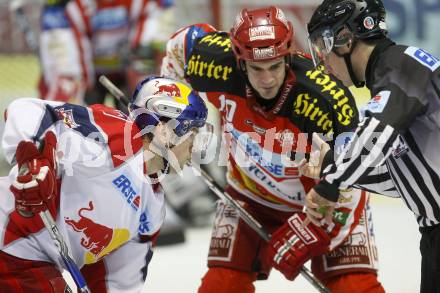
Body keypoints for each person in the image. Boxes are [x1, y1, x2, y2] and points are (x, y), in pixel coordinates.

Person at [161, 6, 385, 293]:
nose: (267, 80)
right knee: (221, 286)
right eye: (256, 68)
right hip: (248, 195)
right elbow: (179, 47)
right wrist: (173, 112)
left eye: (275, 66)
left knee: (354, 287)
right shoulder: (215, 62)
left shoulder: (325, 101)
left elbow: (350, 177)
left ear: (288, 57)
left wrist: (316, 230)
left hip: (322, 206)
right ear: (241, 62)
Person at [0, 76, 209, 292]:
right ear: (165, 130)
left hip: (33, 263)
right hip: (10, 243)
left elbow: (118, 282)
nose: (194, 147)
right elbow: (28, 110)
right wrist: (34, 160)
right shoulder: (117, 135)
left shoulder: (152, 206)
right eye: (191, 134)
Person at [304, 0, 440, 292]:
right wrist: (331, 165)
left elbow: (377, 132)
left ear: (344, 39)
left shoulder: (402, 64)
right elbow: (404, 179)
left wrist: (331, 182)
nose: (323, 62)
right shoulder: (392, 80)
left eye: (321, 45)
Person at [38, 0, 175, 106]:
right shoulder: (63, 9)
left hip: (127, 68)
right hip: (87, 74)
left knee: (148, 90)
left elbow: (151, 47)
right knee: (67, 96)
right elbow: (67, 69)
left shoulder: (149, 4)